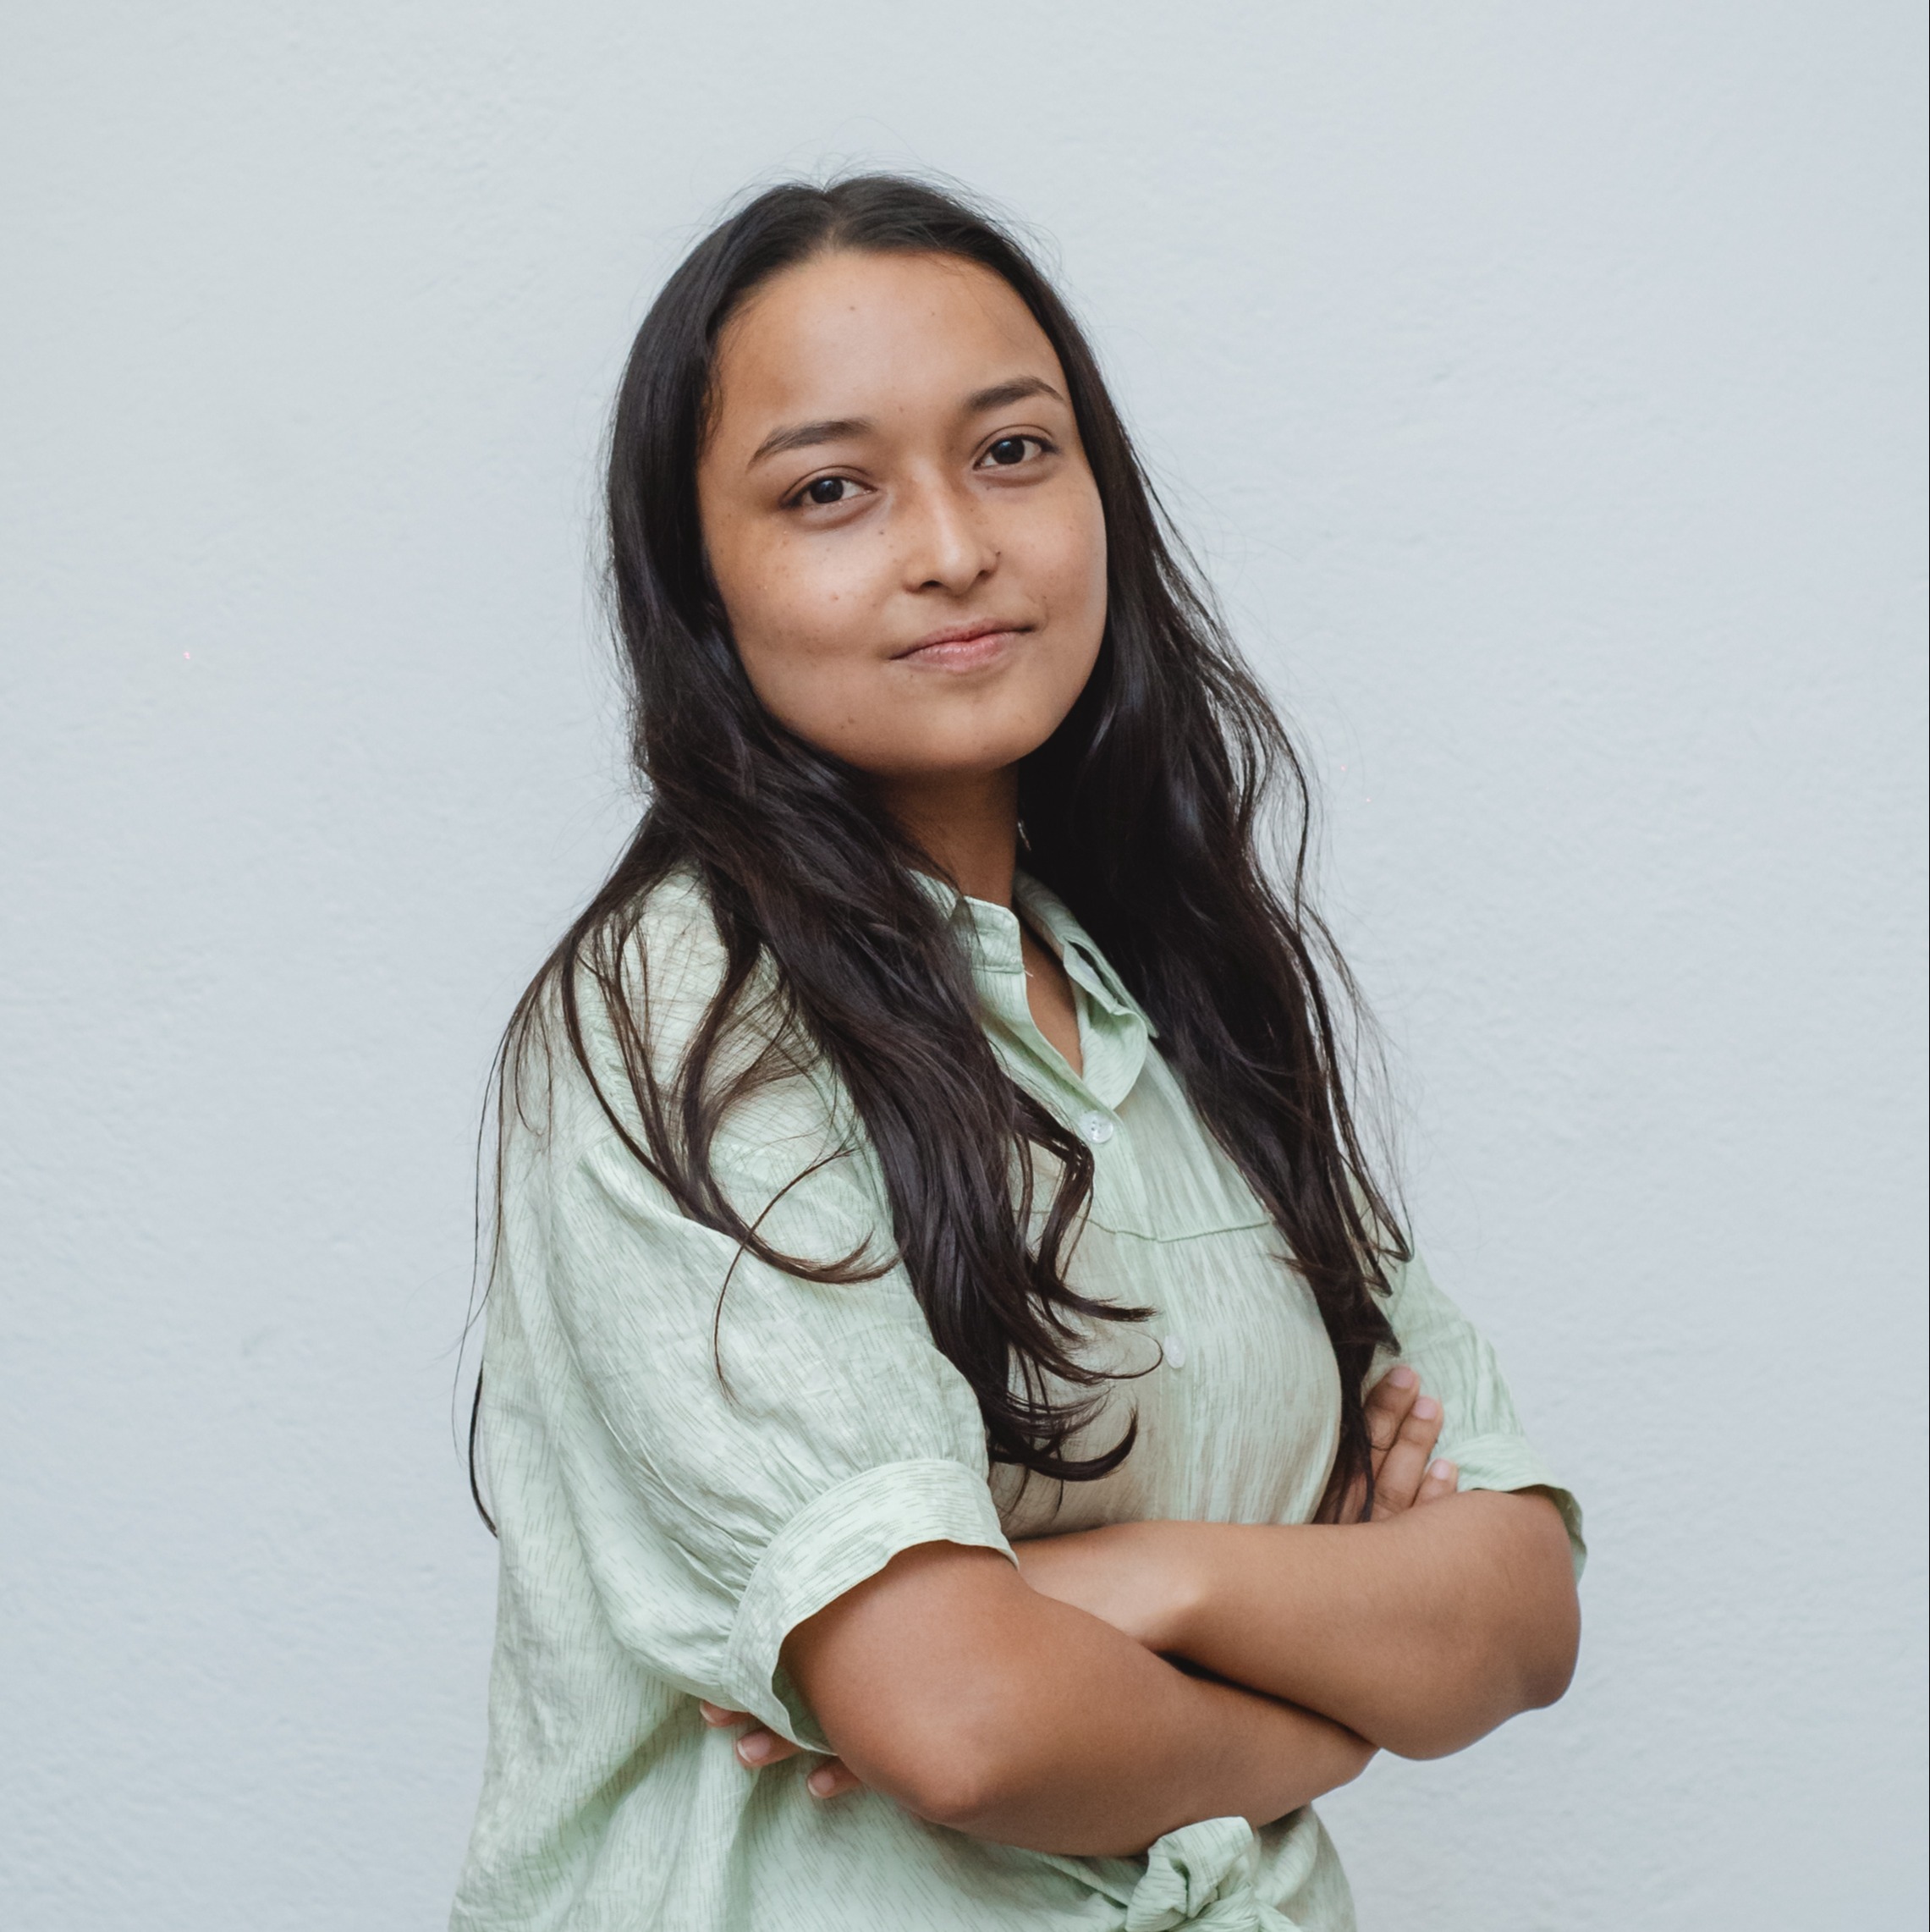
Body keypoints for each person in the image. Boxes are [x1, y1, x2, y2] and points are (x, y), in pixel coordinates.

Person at [450, 173, 1583, 1932]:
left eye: (1010, 452)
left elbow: (1517, 1607)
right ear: (697, 580)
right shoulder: (682, 1010)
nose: (952, 547)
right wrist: (1329, 1709)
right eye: (829, 489)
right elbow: (966, 1722)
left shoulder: (1169, 988)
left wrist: (1144, 1577)